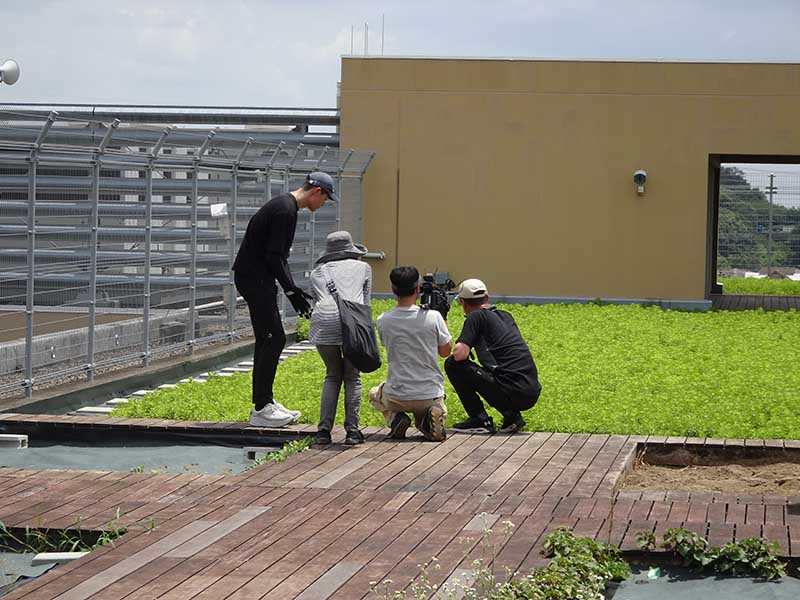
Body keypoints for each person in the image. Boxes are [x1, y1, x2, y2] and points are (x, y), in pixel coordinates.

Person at [233, 171, 336, 428]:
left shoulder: (285, 207)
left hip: (254, 277)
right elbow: (274, 256)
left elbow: (278, 257)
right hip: (255, 278)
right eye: (325, 199)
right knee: (274, 338)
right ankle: (262, 408)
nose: (323, 204)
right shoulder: (285, 211)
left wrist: (292, 289)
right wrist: (291, 291)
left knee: (267, 339)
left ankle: (263, 403)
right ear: (316, 192)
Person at [445, 278, 541, 434]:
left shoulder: (475, 316)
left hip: (513, 390)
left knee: (452, 364)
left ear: (462, 302)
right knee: (501, 373)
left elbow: (459, 355)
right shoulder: (505, 315)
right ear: (487, 298)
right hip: (530, 390)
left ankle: (479, 418)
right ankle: (511, 416)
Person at [369, 266, 452, 441]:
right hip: (429, 393)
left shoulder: (383, 320)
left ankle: (395, 418)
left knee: (374, 393)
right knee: (428, 410)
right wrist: (443, 317)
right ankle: (429, 419)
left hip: (397, 395)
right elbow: (445, 352)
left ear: (393, 290)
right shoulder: (433, 317)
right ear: (417, 289)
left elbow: (387, 344)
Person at [309, 231, 372, 446]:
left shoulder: (318, 271)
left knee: (332, 374)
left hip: (323, 321)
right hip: (352, 321)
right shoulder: (364, 268)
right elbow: (365, 302)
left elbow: (317, 299)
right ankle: (352, 432)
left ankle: (323, 431)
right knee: (352, 376)